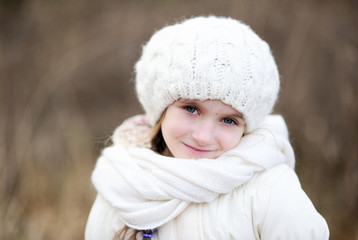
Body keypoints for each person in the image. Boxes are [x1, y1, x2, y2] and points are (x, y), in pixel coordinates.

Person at [85, 16, 329, 239]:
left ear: (246, 127)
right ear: (162, 109)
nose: (203, 137)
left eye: (229, 120)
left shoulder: (269, 190)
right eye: (191, 109)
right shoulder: (122, 181)